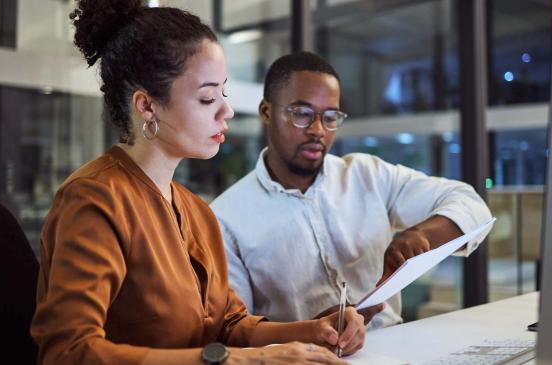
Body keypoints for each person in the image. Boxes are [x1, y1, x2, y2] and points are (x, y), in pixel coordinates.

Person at [30, 2, 365, 364]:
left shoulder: (196, 211)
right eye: (207, 98)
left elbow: (228, 325)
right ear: (146, 106)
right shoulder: (95, 199)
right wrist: (237, 361)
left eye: (224, 93)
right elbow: (68, 352)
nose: (227, 111)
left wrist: (313, 330)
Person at [210, 52, 493, 330]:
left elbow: (471, 205)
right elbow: (236, 331)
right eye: (302, 114)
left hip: (394, 346)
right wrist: (311, 329)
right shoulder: (224, 219)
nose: (318, 130)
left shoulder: (368, 175)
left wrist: (422, 236)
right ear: (266, 112)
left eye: (330, 116)